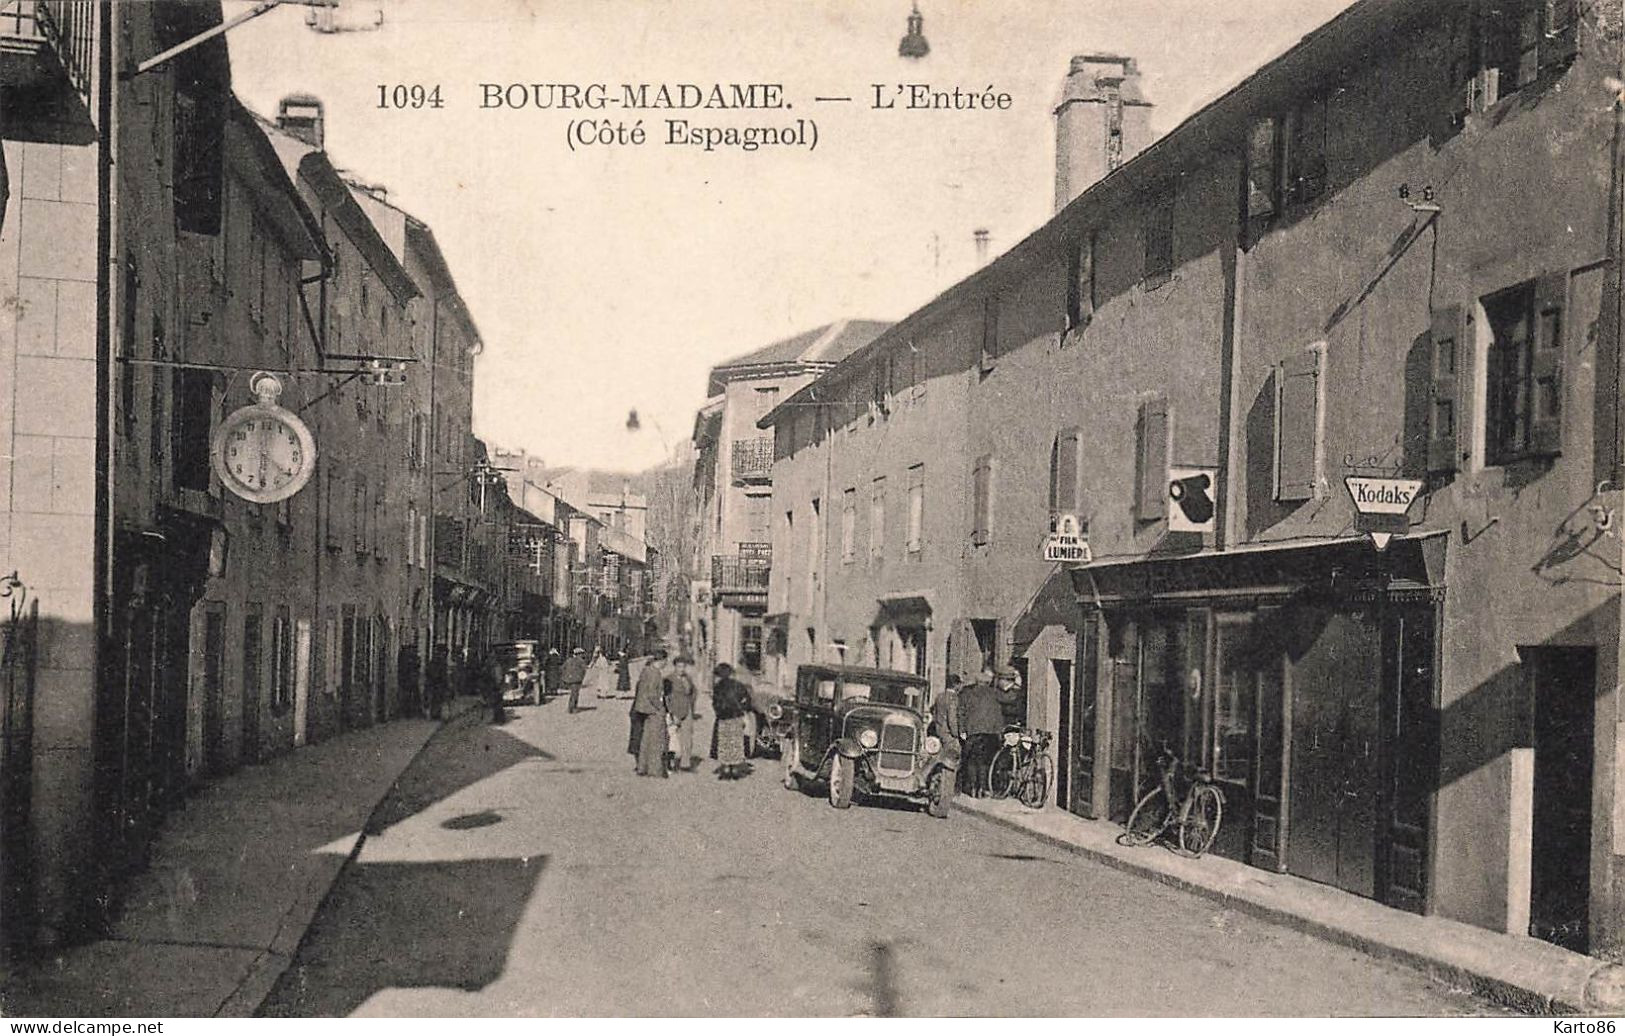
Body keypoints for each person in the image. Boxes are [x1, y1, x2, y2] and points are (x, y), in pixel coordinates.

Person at [958, 666, 1004, 798]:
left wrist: (962, 730)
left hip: (973, 732)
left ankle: (972, 787)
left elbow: (961, 712)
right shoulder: (994, 694)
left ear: (977, 682)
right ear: (988, 682)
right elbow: (1001, 710)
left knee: (972, 761)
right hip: (990, 733)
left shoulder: (968, 694)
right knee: (985, 762)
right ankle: (982, 789)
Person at [632, 651, 669, 777]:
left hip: (643, 709)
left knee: (646, 739)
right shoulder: (656, 673)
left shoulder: (646, 670)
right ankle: (654, 770)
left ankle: (642, 767)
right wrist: (660, 708)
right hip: (653, 710)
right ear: (662, 660)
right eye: (666, 661)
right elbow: (653, 694)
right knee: (657, 740)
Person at [712, 663, 751, 780]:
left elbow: (715, 703)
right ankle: (735, 768)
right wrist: (742, 709)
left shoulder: (718, 687)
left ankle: (725, 767)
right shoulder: (738, 685)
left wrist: (718, 711)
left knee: (724, 742)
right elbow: (748, 700)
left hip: (723, 718)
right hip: (736, 717)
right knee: (735, 742)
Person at [663, 655, 699, 772]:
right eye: (679, 666)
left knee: (687, 737)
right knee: (672, 738)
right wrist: (671, 712)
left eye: (683, 667)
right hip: (675, 711)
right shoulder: (669, 679)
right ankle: (670, 762)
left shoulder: (688, 678)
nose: (681, 669)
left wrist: (692, 705)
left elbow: (694, 692)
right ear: (674, 667)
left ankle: (685, 763)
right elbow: (666, 697)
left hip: (687, 710)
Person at [426, 643, 450, 720]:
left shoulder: (438, 660)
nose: (445, 655)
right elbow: (436, 673)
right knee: (436, 699)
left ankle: (436, 714)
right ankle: (435, 714)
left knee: (438, 699)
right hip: (436, 683)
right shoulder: (438, 661)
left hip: (437, 683)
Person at [561, 646, 587, 714]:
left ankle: (571, 707)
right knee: (575, 694)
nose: (582, 655)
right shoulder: (581, 661)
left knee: (573, 693)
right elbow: (584, 669)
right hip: (576, 680)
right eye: (581, 653)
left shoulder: (568, 660)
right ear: (578, 654)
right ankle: (573, 707)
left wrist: (566, 676)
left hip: (569, 679)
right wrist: (581, 676)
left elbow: (563, 668)